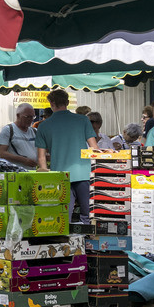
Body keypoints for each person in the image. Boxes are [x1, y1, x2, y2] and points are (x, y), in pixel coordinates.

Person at [36, 88, 100, 224]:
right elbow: (94, 148)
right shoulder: (82, 120)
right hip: (83, 173)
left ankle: (67, 244)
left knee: (63, 217)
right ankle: (88, 240)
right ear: (67, 102)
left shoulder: (43, 126)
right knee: (88, 215)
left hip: (59, 176)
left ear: (51, 103)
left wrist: (46, 177)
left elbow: (41, 158)